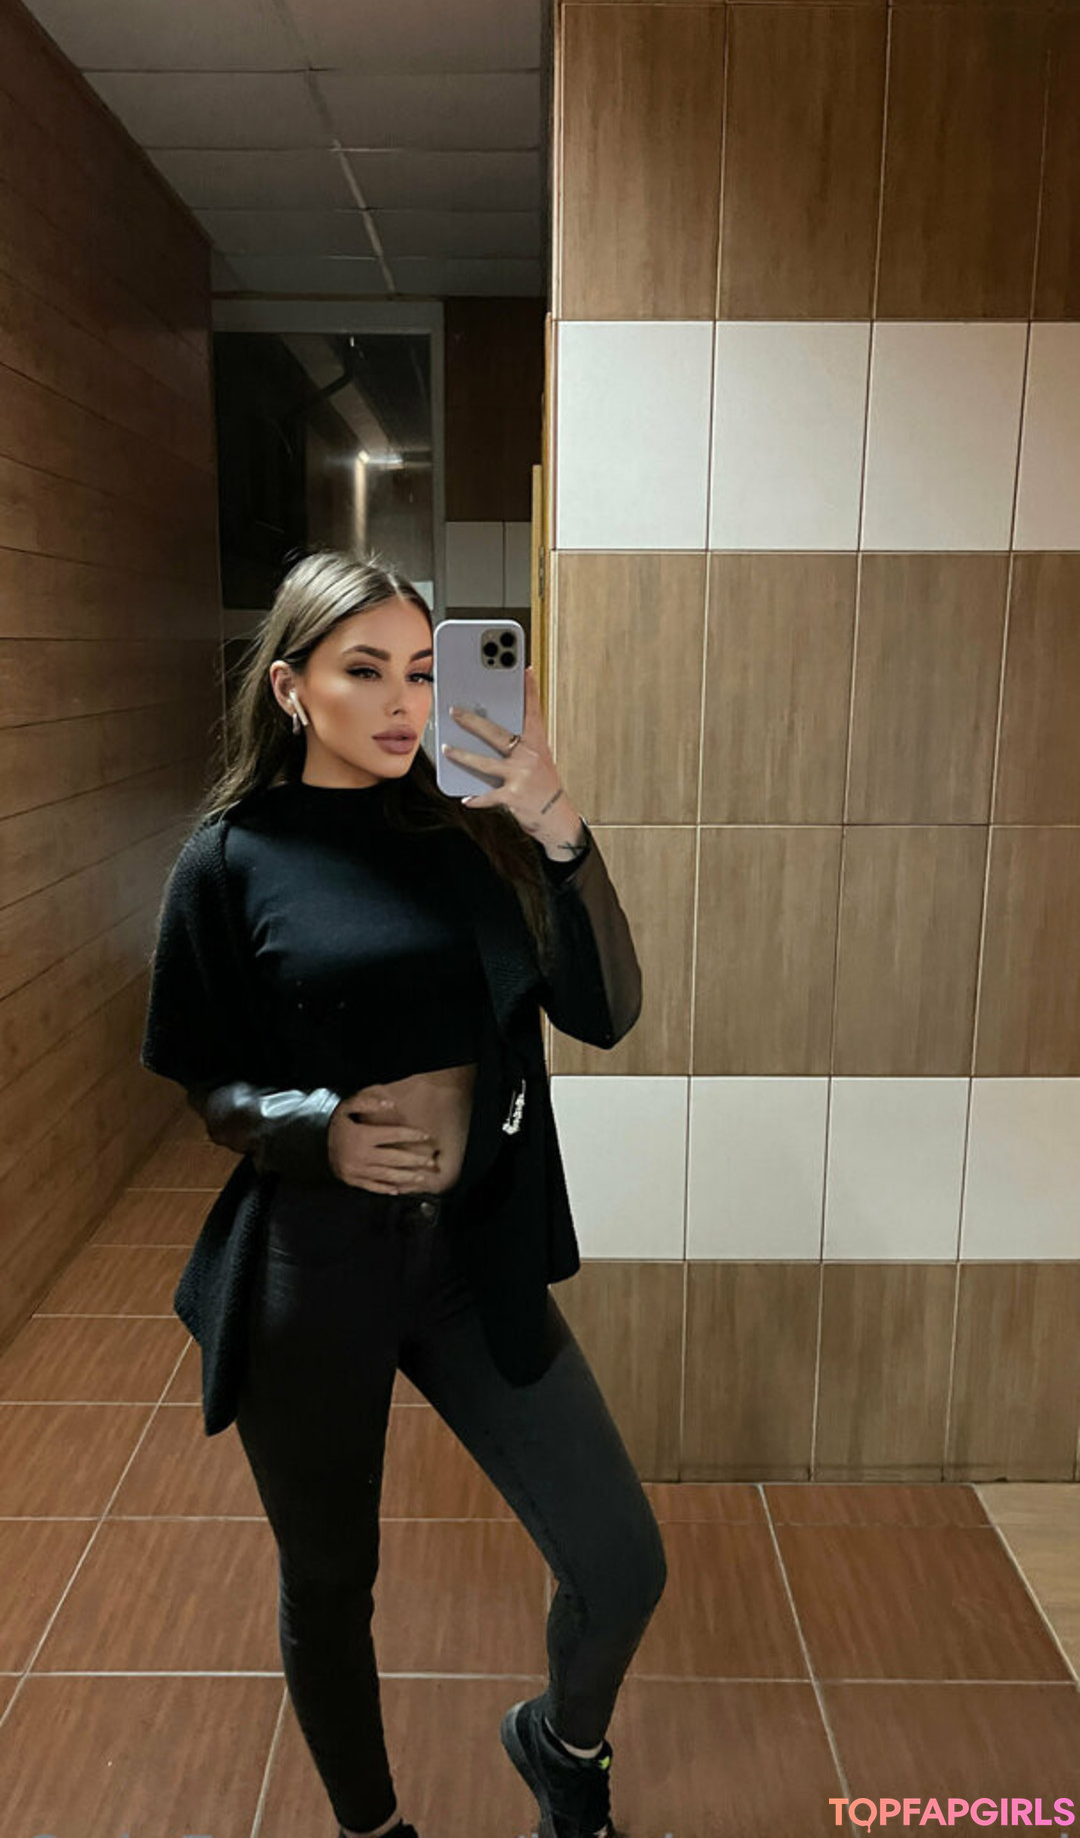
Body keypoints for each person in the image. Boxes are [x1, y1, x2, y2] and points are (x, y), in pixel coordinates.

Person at [139, 549, 668, 1838]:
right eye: (364, 670)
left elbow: (606, 1011)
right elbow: (207, 1082)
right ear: (290, 688)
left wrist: (555, 822)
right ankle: (372, 1829)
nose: (402, 703)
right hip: (312, 1270)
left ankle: (563, 1749)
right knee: (331, 1583)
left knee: (620, 1561)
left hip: (474, 1254)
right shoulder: (229, 859)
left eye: (424, 674)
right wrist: (312, 1131)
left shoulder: (474, 833)